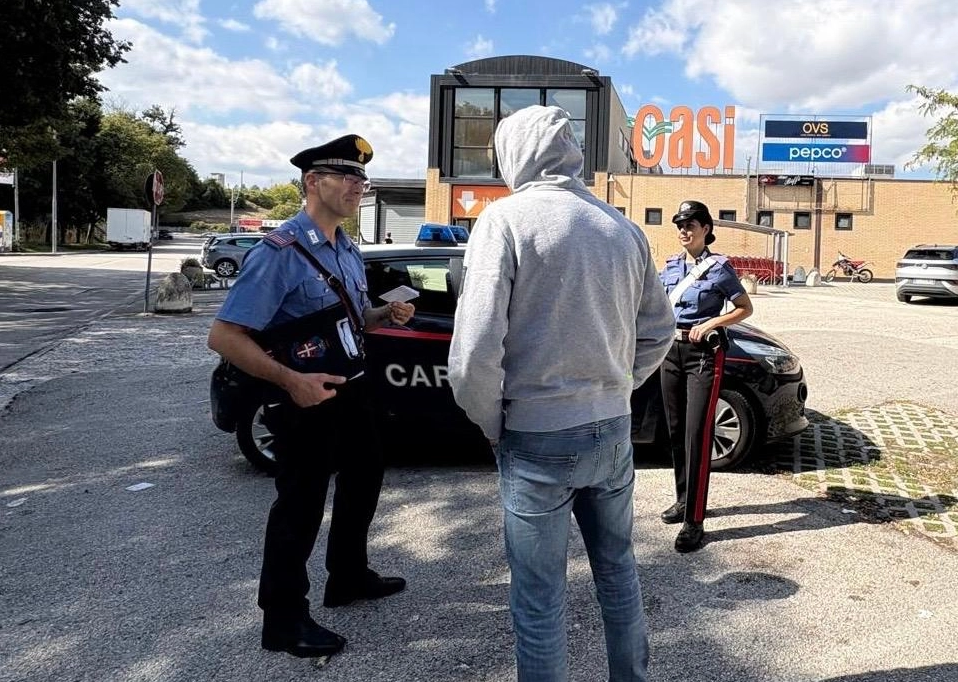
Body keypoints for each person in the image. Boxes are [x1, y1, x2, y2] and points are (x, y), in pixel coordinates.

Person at [449, 105, 673, 682]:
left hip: (537, 433)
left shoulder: (504, 221)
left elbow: (474, 350)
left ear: (513, 153)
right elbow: (660, 330)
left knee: (540, 597)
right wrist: (619, 385)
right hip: (612, 429)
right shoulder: (622, 228)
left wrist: (493, 422)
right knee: (619, 570)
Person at [206, 134, 414, 659]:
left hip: (351, 388)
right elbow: (225, 336)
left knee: (365, 476)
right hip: (303, 398)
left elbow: (349, 318)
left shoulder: (345, 246)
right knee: (299, 505)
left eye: (361, 178)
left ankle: (346, 576)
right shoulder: (280, 252)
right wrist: (290, 382)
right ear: (311, 182)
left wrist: (383, 316)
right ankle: (282, 618)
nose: (357, 186)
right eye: (346, 177)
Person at [658, 200, 753, 553]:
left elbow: (745, 307)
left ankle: (694, 521)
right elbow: (656, 304)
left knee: (698, 435)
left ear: (706, 229)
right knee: (675, 431)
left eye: (691, 225)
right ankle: (684, 500)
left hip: (703, 356)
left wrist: (712, 322)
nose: (684, 231)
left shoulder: (718, 268)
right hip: (672, 351)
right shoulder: (669, 267)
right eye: (680, 225)